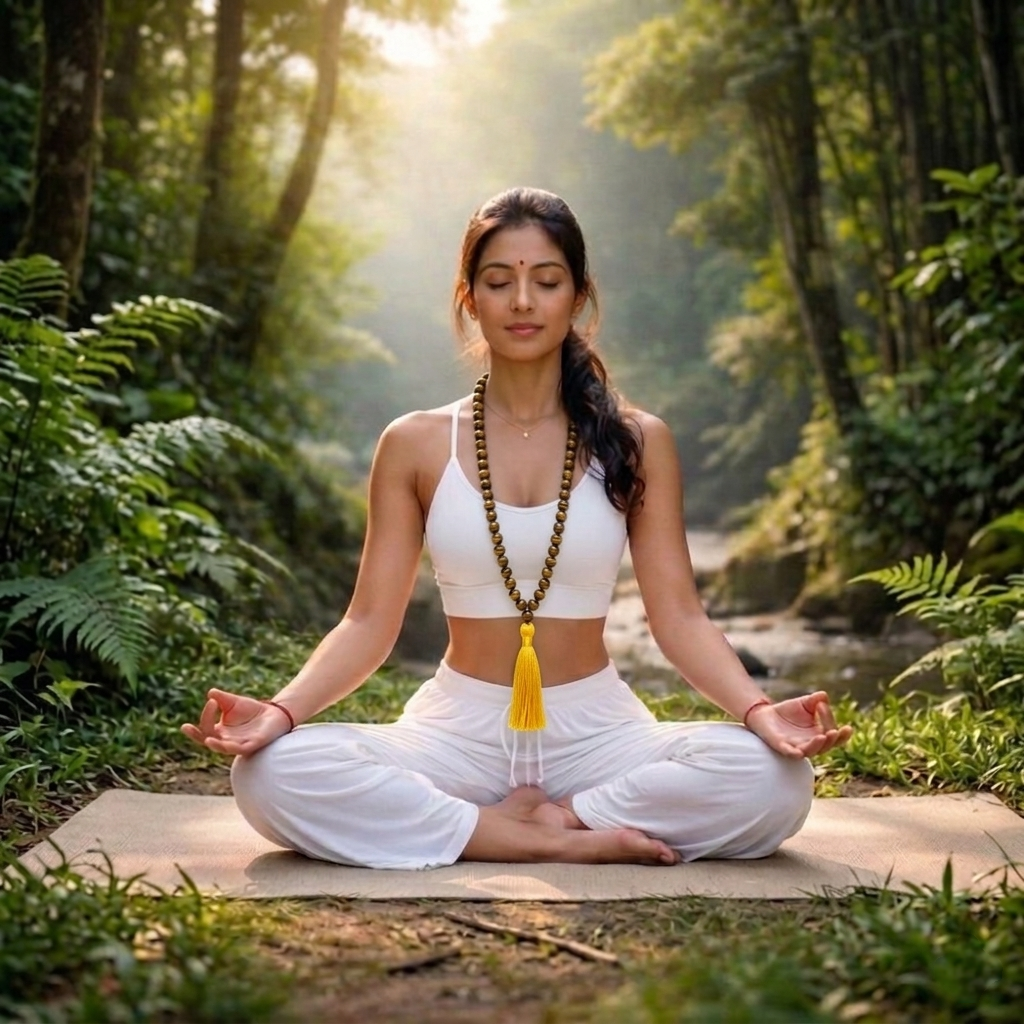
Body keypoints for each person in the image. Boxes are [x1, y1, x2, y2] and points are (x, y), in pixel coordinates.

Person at [182, 187, 852, 870]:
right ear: (470, 298)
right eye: (500, 282)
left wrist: (758, 711)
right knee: (269, 773)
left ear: (578, 295)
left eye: (547, 281)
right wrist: (281, 711)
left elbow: (678, 617)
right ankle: (531, 838)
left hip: (597, 735)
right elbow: (367, 624)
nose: (523, 302)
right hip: (455, 733)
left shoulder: (637, 439)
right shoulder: (414, 443)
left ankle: (558, 820)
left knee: (776, 780)